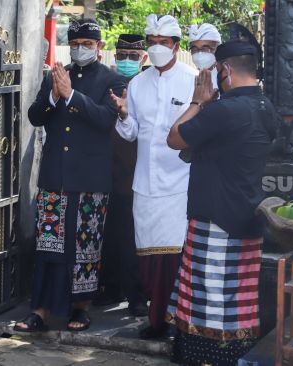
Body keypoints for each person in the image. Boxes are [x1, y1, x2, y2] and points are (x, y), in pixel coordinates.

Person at [165, 39, 279, 366]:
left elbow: (174, 138)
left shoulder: (223, 110)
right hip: (246, 214)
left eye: (217, 69)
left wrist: (197, 102)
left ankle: (207, 359)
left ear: (225, 70)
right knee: (236, 300)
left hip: (215, 218)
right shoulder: (264, 107)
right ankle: (233, 358)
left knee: (208, 297)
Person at [15, 18, 125, 333]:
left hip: (90, 180)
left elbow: (106, 120)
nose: (80, 50)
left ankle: (80, 308)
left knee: (84, 248)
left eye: (87, 45)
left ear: (99, 47)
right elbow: (35, 116)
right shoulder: (56, 75)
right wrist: (54, 94)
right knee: (48, 245)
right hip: (55, 177)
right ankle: (39, 311)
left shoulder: (111, 80)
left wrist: (72, 96)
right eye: (75, 44)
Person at [109, 14, 196, 339]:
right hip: (144, 183)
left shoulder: (192, 79)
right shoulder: (137, 83)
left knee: (175, 255)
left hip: (180, 184)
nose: (157, 47)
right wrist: (122, 113)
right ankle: (156, 318)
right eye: (153, 42)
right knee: (147, 254)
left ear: (176, 45)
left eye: (164, 42)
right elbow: (131, 132)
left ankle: (177, 320)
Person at [95, 34, 148, 317]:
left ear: (143, 59)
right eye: (123, 55)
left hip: (137, 174)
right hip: (106, 172)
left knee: (133, 239)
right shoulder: (106, 82)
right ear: (114, 56)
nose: (127, 61)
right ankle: (110, 288)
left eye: (133, 56)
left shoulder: (147, 87)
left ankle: (136, 295)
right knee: (109, 236)